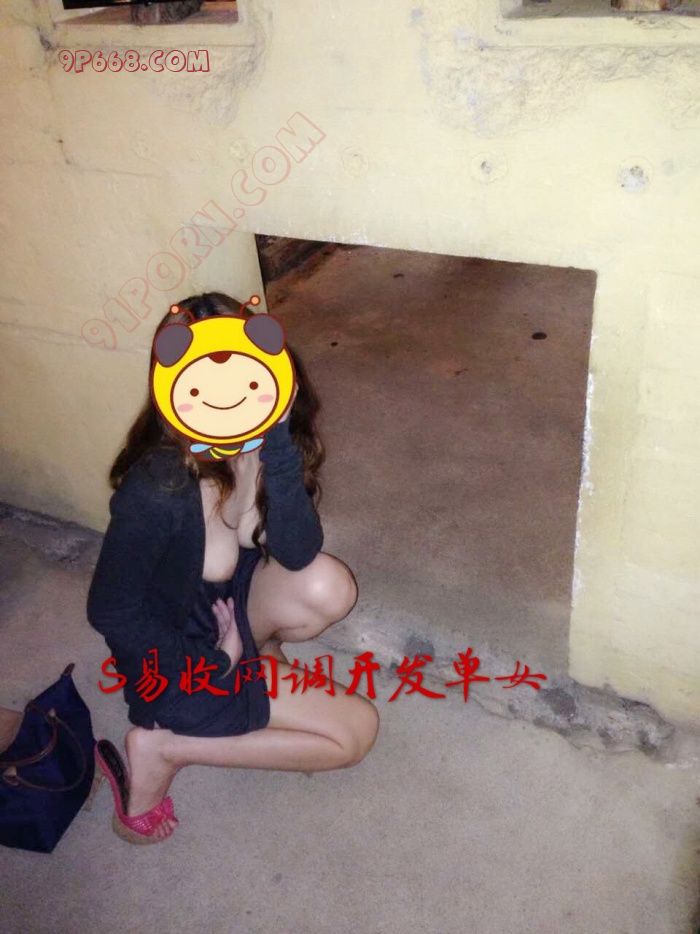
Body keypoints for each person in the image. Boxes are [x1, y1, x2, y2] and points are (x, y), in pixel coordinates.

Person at [87, 291, 380, 845]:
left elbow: (296, 551)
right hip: (181, 656)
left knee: (328, 585)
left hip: (231, 609)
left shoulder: (255, 440)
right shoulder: (159, 484)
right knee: (355, 734)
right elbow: (112, 611)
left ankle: (258, 659)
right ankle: (164, 747)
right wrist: (215, 660)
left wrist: (278, 447)